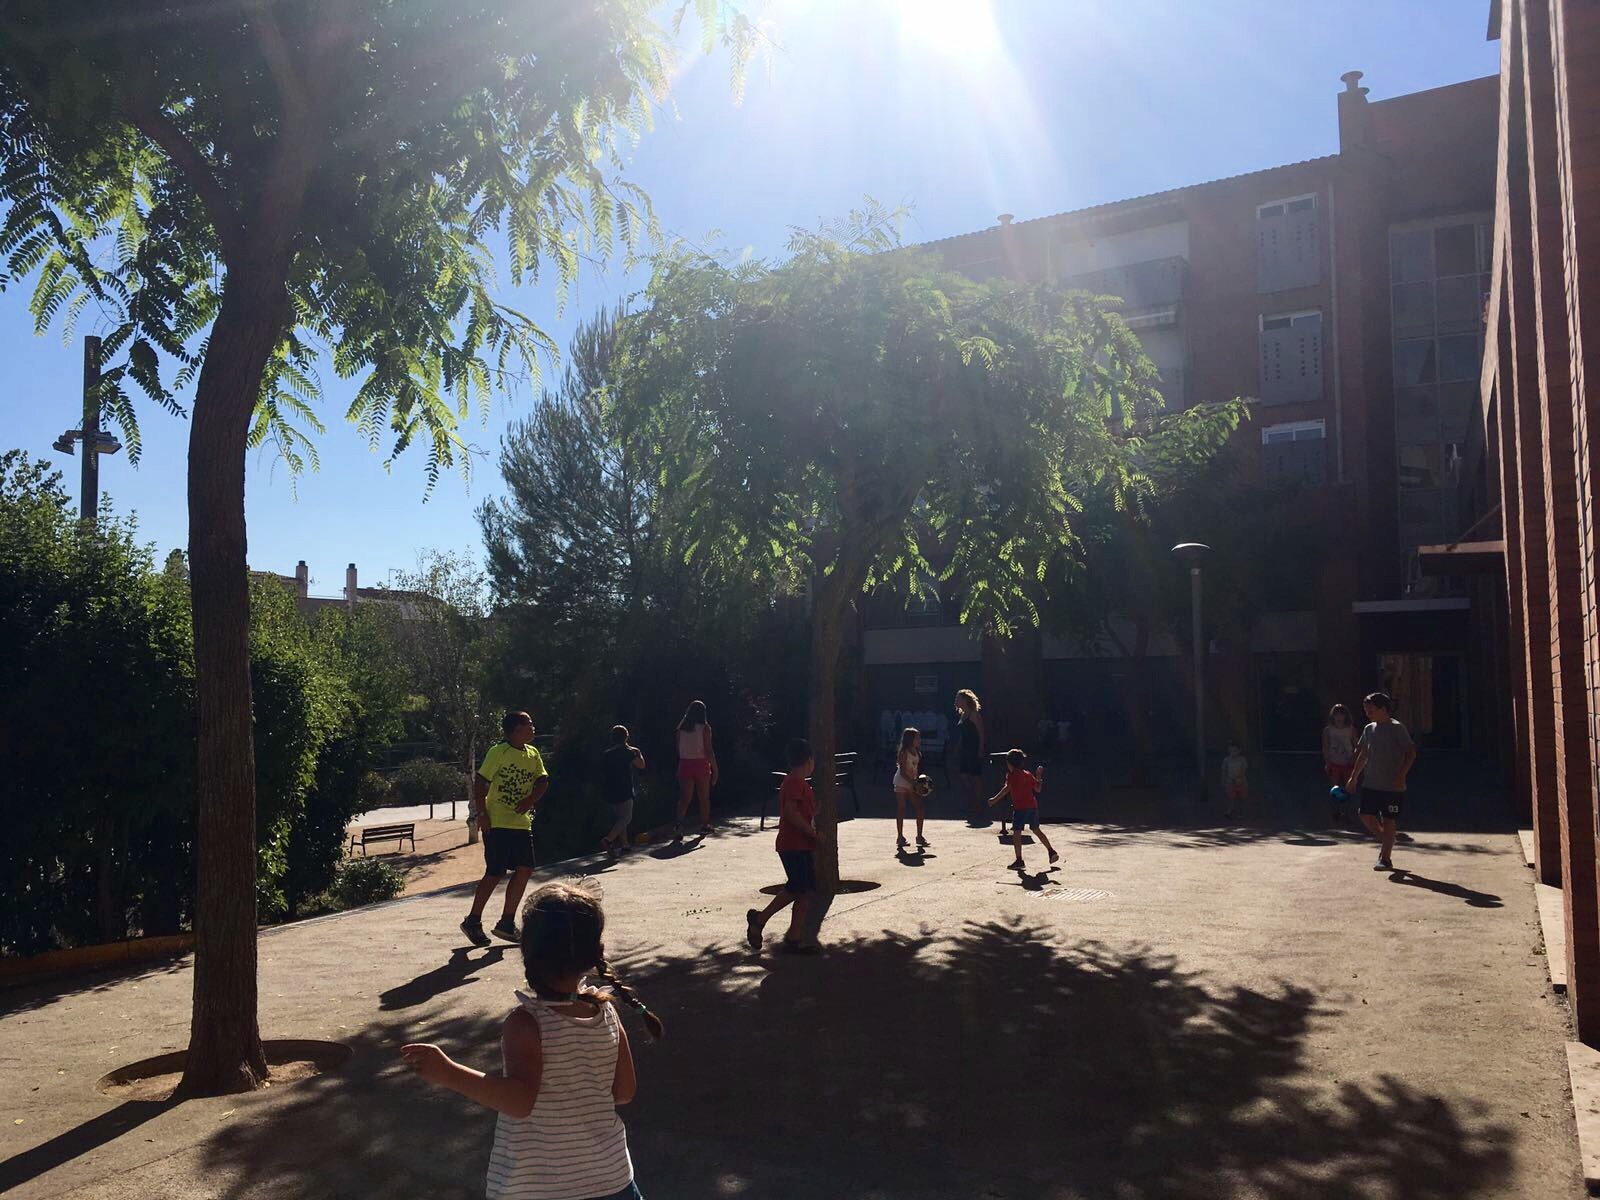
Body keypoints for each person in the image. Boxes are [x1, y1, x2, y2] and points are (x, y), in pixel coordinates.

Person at [404, 881, 662, 1200]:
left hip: (541, 1187)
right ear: (594, 952)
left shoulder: (527, 1023)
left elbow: (520, 1102)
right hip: (612, 1179)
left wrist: (448, 1073)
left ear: (526, 950)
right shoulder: (605, 1012)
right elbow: (624, 1092)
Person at [462, 711, 550, 947]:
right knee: (495, 872)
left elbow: (543, 780)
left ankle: (506, 922)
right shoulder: (498, 751)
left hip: (521, 823)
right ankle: (473, 920)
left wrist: (530, 799)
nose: (533, 728)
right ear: (516, 729)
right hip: (498, 822)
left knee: (525, 869)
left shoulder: (532, 753)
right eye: (529, 724)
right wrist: (482, 814)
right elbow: (481, 782)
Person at [746, 737, 820, 954]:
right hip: (793, 844)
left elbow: (799, 810)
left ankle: (794, 937)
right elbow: (790, 812)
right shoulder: (795, 782)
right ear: (809, 760)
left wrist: (813, 813)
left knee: (805, 890)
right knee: (797, 887)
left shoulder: (798, 783)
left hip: (802, 845)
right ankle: (760, 919)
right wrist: (812, 832)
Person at [1347, 691, 1416, 871]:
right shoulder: (1368, 729)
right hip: (1371, 782)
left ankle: (1385, 858)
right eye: (1366, 710)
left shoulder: (1397, 728)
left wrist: (1401, 775)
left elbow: (1411, 753)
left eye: (1371, 710)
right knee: (1365, 815)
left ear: (1383, 709)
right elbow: (1363, 754)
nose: (1368, 714)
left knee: (1388, 819)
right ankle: (1386, 839)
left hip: (1392, 786)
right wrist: (1353, 777)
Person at [989, 748, 1059, 872]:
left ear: (1009, 763)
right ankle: (1051, 851)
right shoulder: (1027, 774)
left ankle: (1019, 860)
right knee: (1036, 830)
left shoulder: (1011, 775)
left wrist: (994, 799)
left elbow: (1006, 789)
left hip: (1020, 808)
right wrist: (1038, 776)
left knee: (1017, 833)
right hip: (1032, 806)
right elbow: (1038, 789)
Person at [673, 700, 718, 837]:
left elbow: (678, 747)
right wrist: (715, 769)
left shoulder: (681, 728)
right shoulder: (705, 728)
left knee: (684, 798)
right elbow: (708, 750)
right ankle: (705, 825)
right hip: (701, 763)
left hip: (685, 763)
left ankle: (678, 825)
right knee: (704, 798)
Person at [600, 725, 645, 859]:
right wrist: (638, 753)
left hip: (610, 789)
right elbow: (641, 765)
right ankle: (608, 840)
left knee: (620, 819)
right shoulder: (629, 752)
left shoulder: (607, 754)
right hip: (624, 788)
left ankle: (625, 845)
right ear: (626, 737)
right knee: (626, 818)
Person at [954, 689, 989, 827]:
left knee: (975, 777)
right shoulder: (962, 715)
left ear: (965, 700)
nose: (956, 700)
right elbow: (962, 733)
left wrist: (981, 748)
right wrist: (958, 745)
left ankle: (977, 804)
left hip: (973, 749)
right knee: (964, 776)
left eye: (958, 698)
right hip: (964, 750)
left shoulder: (974, 714)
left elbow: (981, 732)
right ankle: (972, 800)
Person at [892, 727, 928, 850]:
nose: (919, 740)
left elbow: (915, 769)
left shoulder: (917, 752)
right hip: (902, 782)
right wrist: (913, 783)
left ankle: (919, 835)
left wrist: (919, 782)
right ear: (910, 739)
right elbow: (902, 772)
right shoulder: (904, 753)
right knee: (901, 809)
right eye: (917, 738)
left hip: (912, 782)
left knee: (919, 807)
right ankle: (900, 836)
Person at [1322, 704, 1356, 823]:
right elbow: (1325, 747)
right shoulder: (1328, 730)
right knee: (1335, 788)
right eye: (1336, 715)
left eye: (1341, 715)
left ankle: (1347, 812)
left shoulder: (1351, 729)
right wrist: (1327, 762)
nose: (1339, 717)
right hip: (1334, 762)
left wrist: (1354, 759)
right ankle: (1335, 810)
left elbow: (1356, 745)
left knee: (1348, 788)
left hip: (1348, 762)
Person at [1221, 740, 1248, 820]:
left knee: (1241, 798)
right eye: (1230, 751)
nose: (1232, 753)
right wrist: (1223, 780)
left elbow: (1243, 770)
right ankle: (1229, 811)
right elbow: (1224, 771)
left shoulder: (1242, 759)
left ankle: (1241, 811)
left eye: (1235, 751)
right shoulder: (1226, 760)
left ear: (1239, 751)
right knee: (1230, 797)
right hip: (1230, 781)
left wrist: (1240, 778)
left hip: (1241, 782)